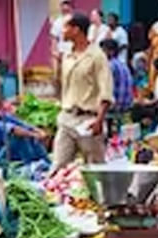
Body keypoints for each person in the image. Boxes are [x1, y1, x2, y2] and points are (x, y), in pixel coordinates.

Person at [52, 13, 112, 169]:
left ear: (76, 30)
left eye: (66, 27)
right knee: (58, 165)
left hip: (88, 120)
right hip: (67, 118)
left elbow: (106, 91)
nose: (62, 31)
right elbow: (61, 85)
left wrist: (99, 120)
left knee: (95, 168)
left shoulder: (97, 56)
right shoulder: (67, 55)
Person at [0, 93, 48, 165]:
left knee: (30, 137)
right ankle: (30, 165)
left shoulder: (2, 115)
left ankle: (46, 162)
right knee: (20, 137)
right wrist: (34, 135)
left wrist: (39, 131)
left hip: (3, 151)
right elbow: (13, 130)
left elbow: (23, 124)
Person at [103, 39, 133, 114]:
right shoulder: (123, 65)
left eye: (103, 50)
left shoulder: (110, 66)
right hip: (126, 105)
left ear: (111, 52)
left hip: (115, 107)